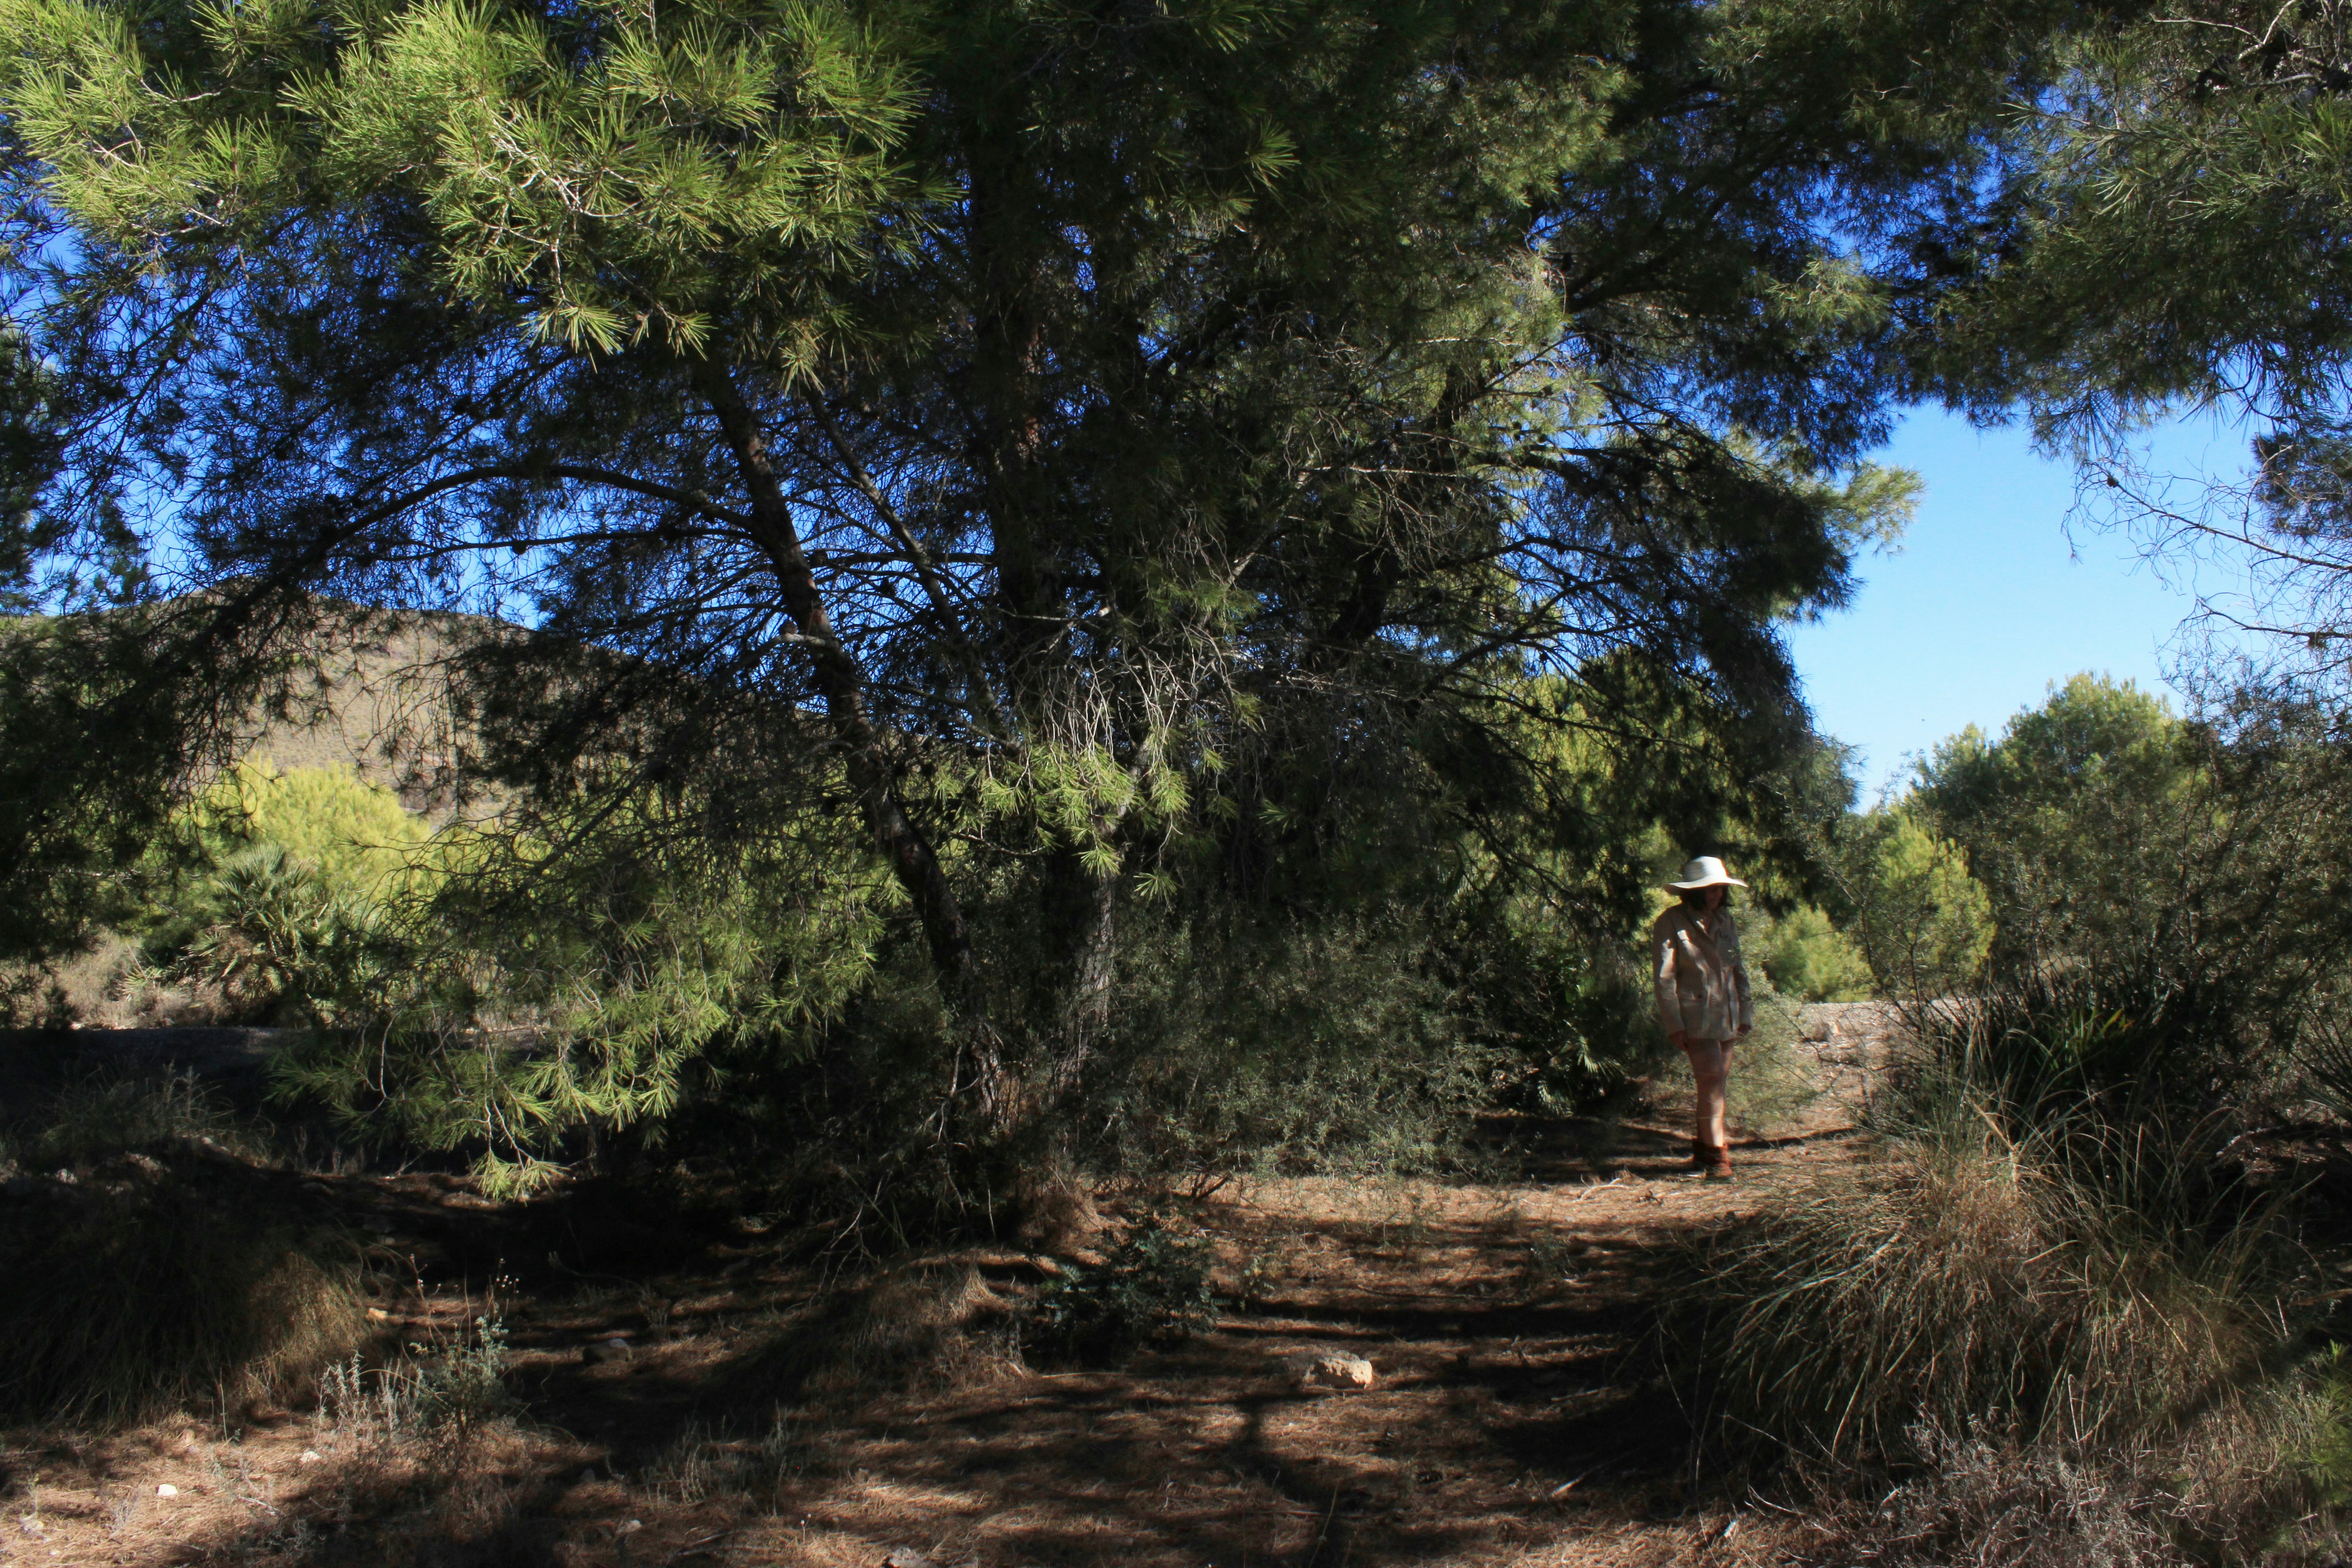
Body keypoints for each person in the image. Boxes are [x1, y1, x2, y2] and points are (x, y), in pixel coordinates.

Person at [1652, 856, 1752, 1181]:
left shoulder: (1726, 921)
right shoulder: (1671, 921)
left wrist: (1746, 1012)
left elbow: (1738, 969)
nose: (1716, 895)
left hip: (1728, 1015)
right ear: (1693, 891)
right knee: (1712, 1084)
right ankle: (1719, 1160)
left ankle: (1704, 1155)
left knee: (1715, 1085)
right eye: (1710, 889)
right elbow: (1664, 978)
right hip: (1695, 1017)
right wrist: (1674, 1025)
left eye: (1719, 889)